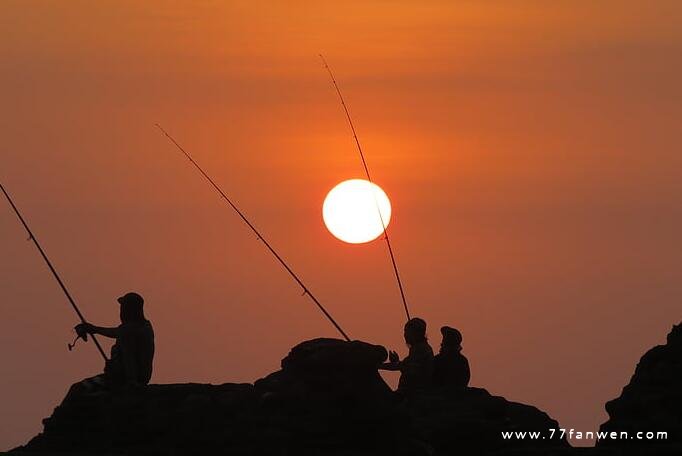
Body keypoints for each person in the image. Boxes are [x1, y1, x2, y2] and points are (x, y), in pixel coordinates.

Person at [67, 292, 154, 398]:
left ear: (129, 310)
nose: (121, 312)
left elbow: (129, 357)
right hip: (134, 379)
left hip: (121, 380)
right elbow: (117, 332)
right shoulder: (146, 327)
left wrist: (131, 381)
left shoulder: (128, 331)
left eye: (123, 308)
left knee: (77, 389)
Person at [379, 317, 434, 394]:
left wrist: (378, 366)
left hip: (415, 394)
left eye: (407, 332)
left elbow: (406, 368)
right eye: (405, 331)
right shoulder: (419, 348)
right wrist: (396, 362)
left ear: (416, 333)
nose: (405, 335)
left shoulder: (421, 350)